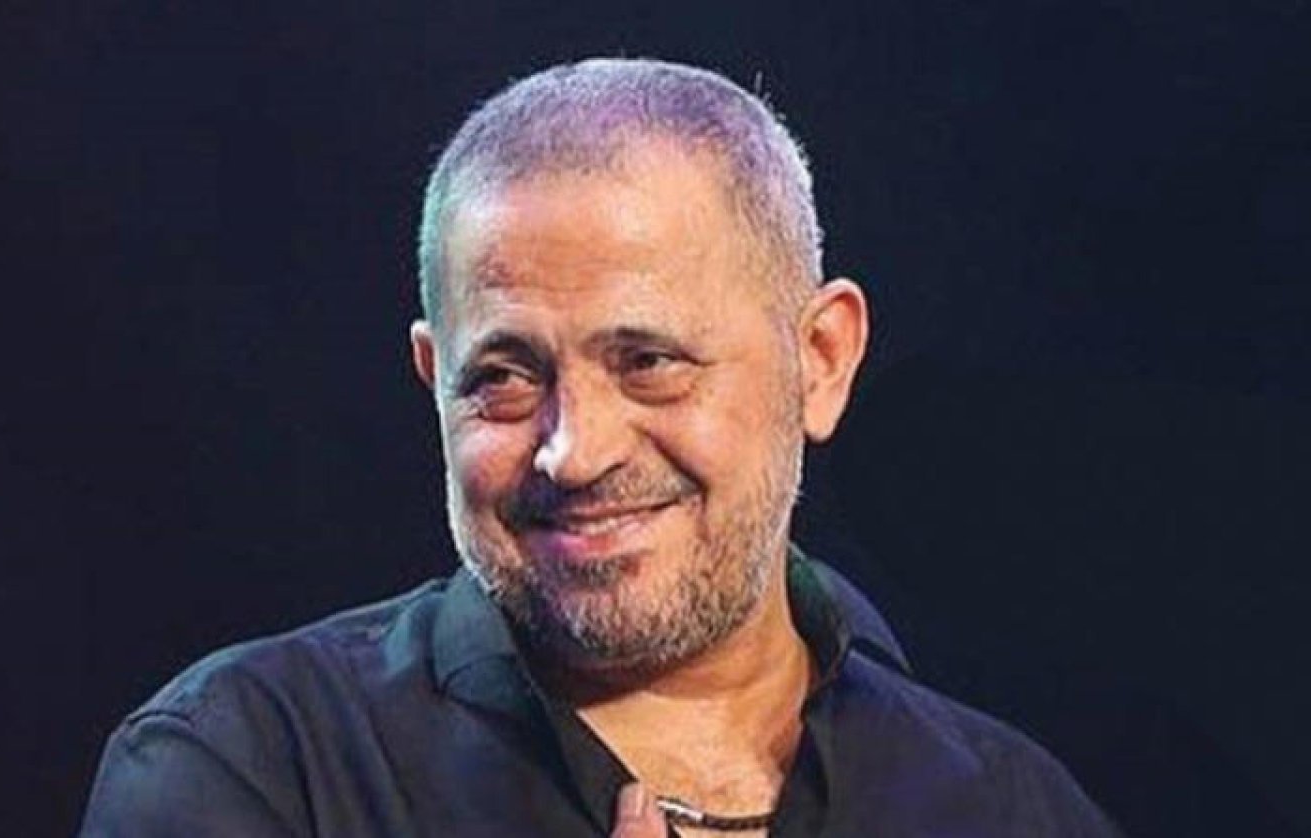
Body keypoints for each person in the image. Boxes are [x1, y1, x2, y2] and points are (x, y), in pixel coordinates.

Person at [79, 58, 1121, 837]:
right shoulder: (252, 770)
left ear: (821, 359)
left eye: (649, 361)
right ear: (434, 379)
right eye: (504, 377)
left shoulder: (1011, 809)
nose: (573, 453)